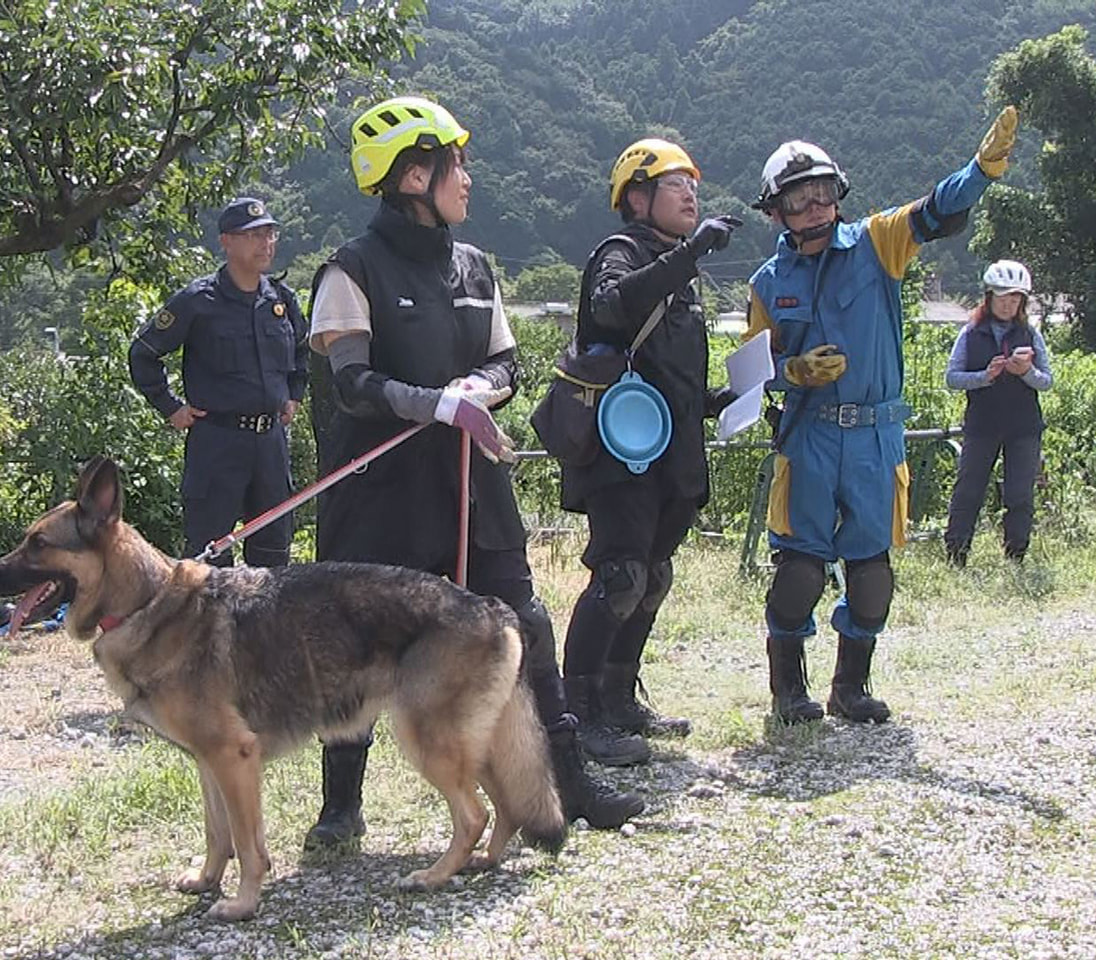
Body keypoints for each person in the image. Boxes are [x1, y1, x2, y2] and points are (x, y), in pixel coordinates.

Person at [305, 95, 644, 845]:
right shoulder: (349, 269)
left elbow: (506, 362)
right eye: (456, 163)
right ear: (414, 174)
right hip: (379, 499)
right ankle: (340, 807)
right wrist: (434, 404)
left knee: (525, 623)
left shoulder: (474, 265)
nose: (468, 176)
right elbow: (352, 384)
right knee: (359, 646)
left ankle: (568, 783)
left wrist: (477, 391)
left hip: (472, 488)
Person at [744, 107, 1019, 724]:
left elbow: (936, 209)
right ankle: (788, 690)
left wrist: (982, 168)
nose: (816, 206)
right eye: (799, 197)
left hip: (875, 436)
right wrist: (793, 372)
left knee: (871, 574)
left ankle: (851, 687)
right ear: (776, 210)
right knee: (800, 572)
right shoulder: (767, 282)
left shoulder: (876, 242)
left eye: (823, 193)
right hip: (807, 438)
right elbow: (752, 367)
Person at [559, 138, 741, 767]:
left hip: (674, 451)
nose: (691, 194)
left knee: (653, 577)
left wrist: (727, 397)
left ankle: (618, 692)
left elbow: (671, 374)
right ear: (637, 197)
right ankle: (575, 715)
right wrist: (691, 254)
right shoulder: (622, 253)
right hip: (621, 451)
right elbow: (611, 305)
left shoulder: (676, 267)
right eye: (675, 184)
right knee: (620, 575)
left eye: (693, 184)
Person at [129, 197, 307, 568]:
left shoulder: (280, 299)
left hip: (270, 444)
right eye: (253, 235)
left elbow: (303, 352)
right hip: (218, 443)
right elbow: (143, 353)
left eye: (270, 234)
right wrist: (171, 407)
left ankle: (266, 630)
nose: (266, 243)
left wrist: (294, 396)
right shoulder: (198, 301)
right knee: (208, 561)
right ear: (226, 241)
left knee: (274, 558)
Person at [944, 259, 1052, 565]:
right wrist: (984, 377)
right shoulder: (970, 333)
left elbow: (1046, 381)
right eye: (1003, 297)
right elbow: (952, 378)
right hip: (982, 425)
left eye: (1015, 298)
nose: (1009, 304)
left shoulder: (1030, 334)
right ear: (989, 297)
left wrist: (1026, 371)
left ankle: (1016, 555)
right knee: (969, 490)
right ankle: (956, 554)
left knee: (1020, 494)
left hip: (1023, 426)